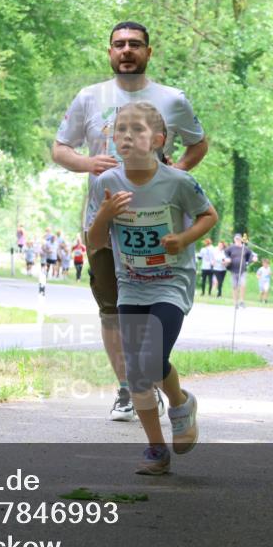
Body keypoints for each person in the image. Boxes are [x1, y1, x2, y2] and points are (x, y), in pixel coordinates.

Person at [52, 21, 208, 422]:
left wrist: (177, 173)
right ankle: (128, 388)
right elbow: (60, 148)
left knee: (158, 303)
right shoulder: (90, 97)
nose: (126, 51)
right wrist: (87, 163)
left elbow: (198, 142)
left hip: (159, 224)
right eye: (119, 44)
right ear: (109, 52)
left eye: (134, 44)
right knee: (112, 309)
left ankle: (151, 376)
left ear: (148, 52)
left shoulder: (172, 100)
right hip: (105, 223)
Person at [86, 101, 217, 474]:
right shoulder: (106, 183)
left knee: (151, 359)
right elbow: (94, 240)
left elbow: (209, 215)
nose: (127, 135)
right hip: (131, 285)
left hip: (170, 283)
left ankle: (179, 403)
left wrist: (183, 238)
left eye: (137, 129)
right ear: (112, 138)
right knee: (139, 372)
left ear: (158, 139)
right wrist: (107, 217)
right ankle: (156, 450)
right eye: (121, 129)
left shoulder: (177, 182)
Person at [224, 235, 255, 308]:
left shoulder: (245, 248)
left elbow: (251, 255)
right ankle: (235, 303)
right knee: (234, 286)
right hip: (233, 270)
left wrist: (252, 260)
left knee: (243, 285)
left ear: (241, 239)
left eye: (239, 239)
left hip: (242, 270)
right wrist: (227, 259)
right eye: (236, 239)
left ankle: (242, 301)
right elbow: (225, 253)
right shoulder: (231, 248)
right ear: (234, 239)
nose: (237, 240)